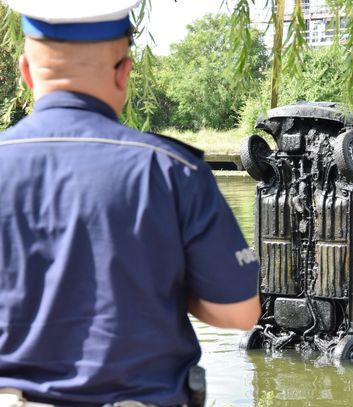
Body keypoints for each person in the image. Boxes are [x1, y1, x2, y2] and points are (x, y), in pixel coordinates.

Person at [0, 1, 260, 406]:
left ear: (27, 73)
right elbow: (240, 313)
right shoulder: (174, 171)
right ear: (124, 72)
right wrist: (171, 285)